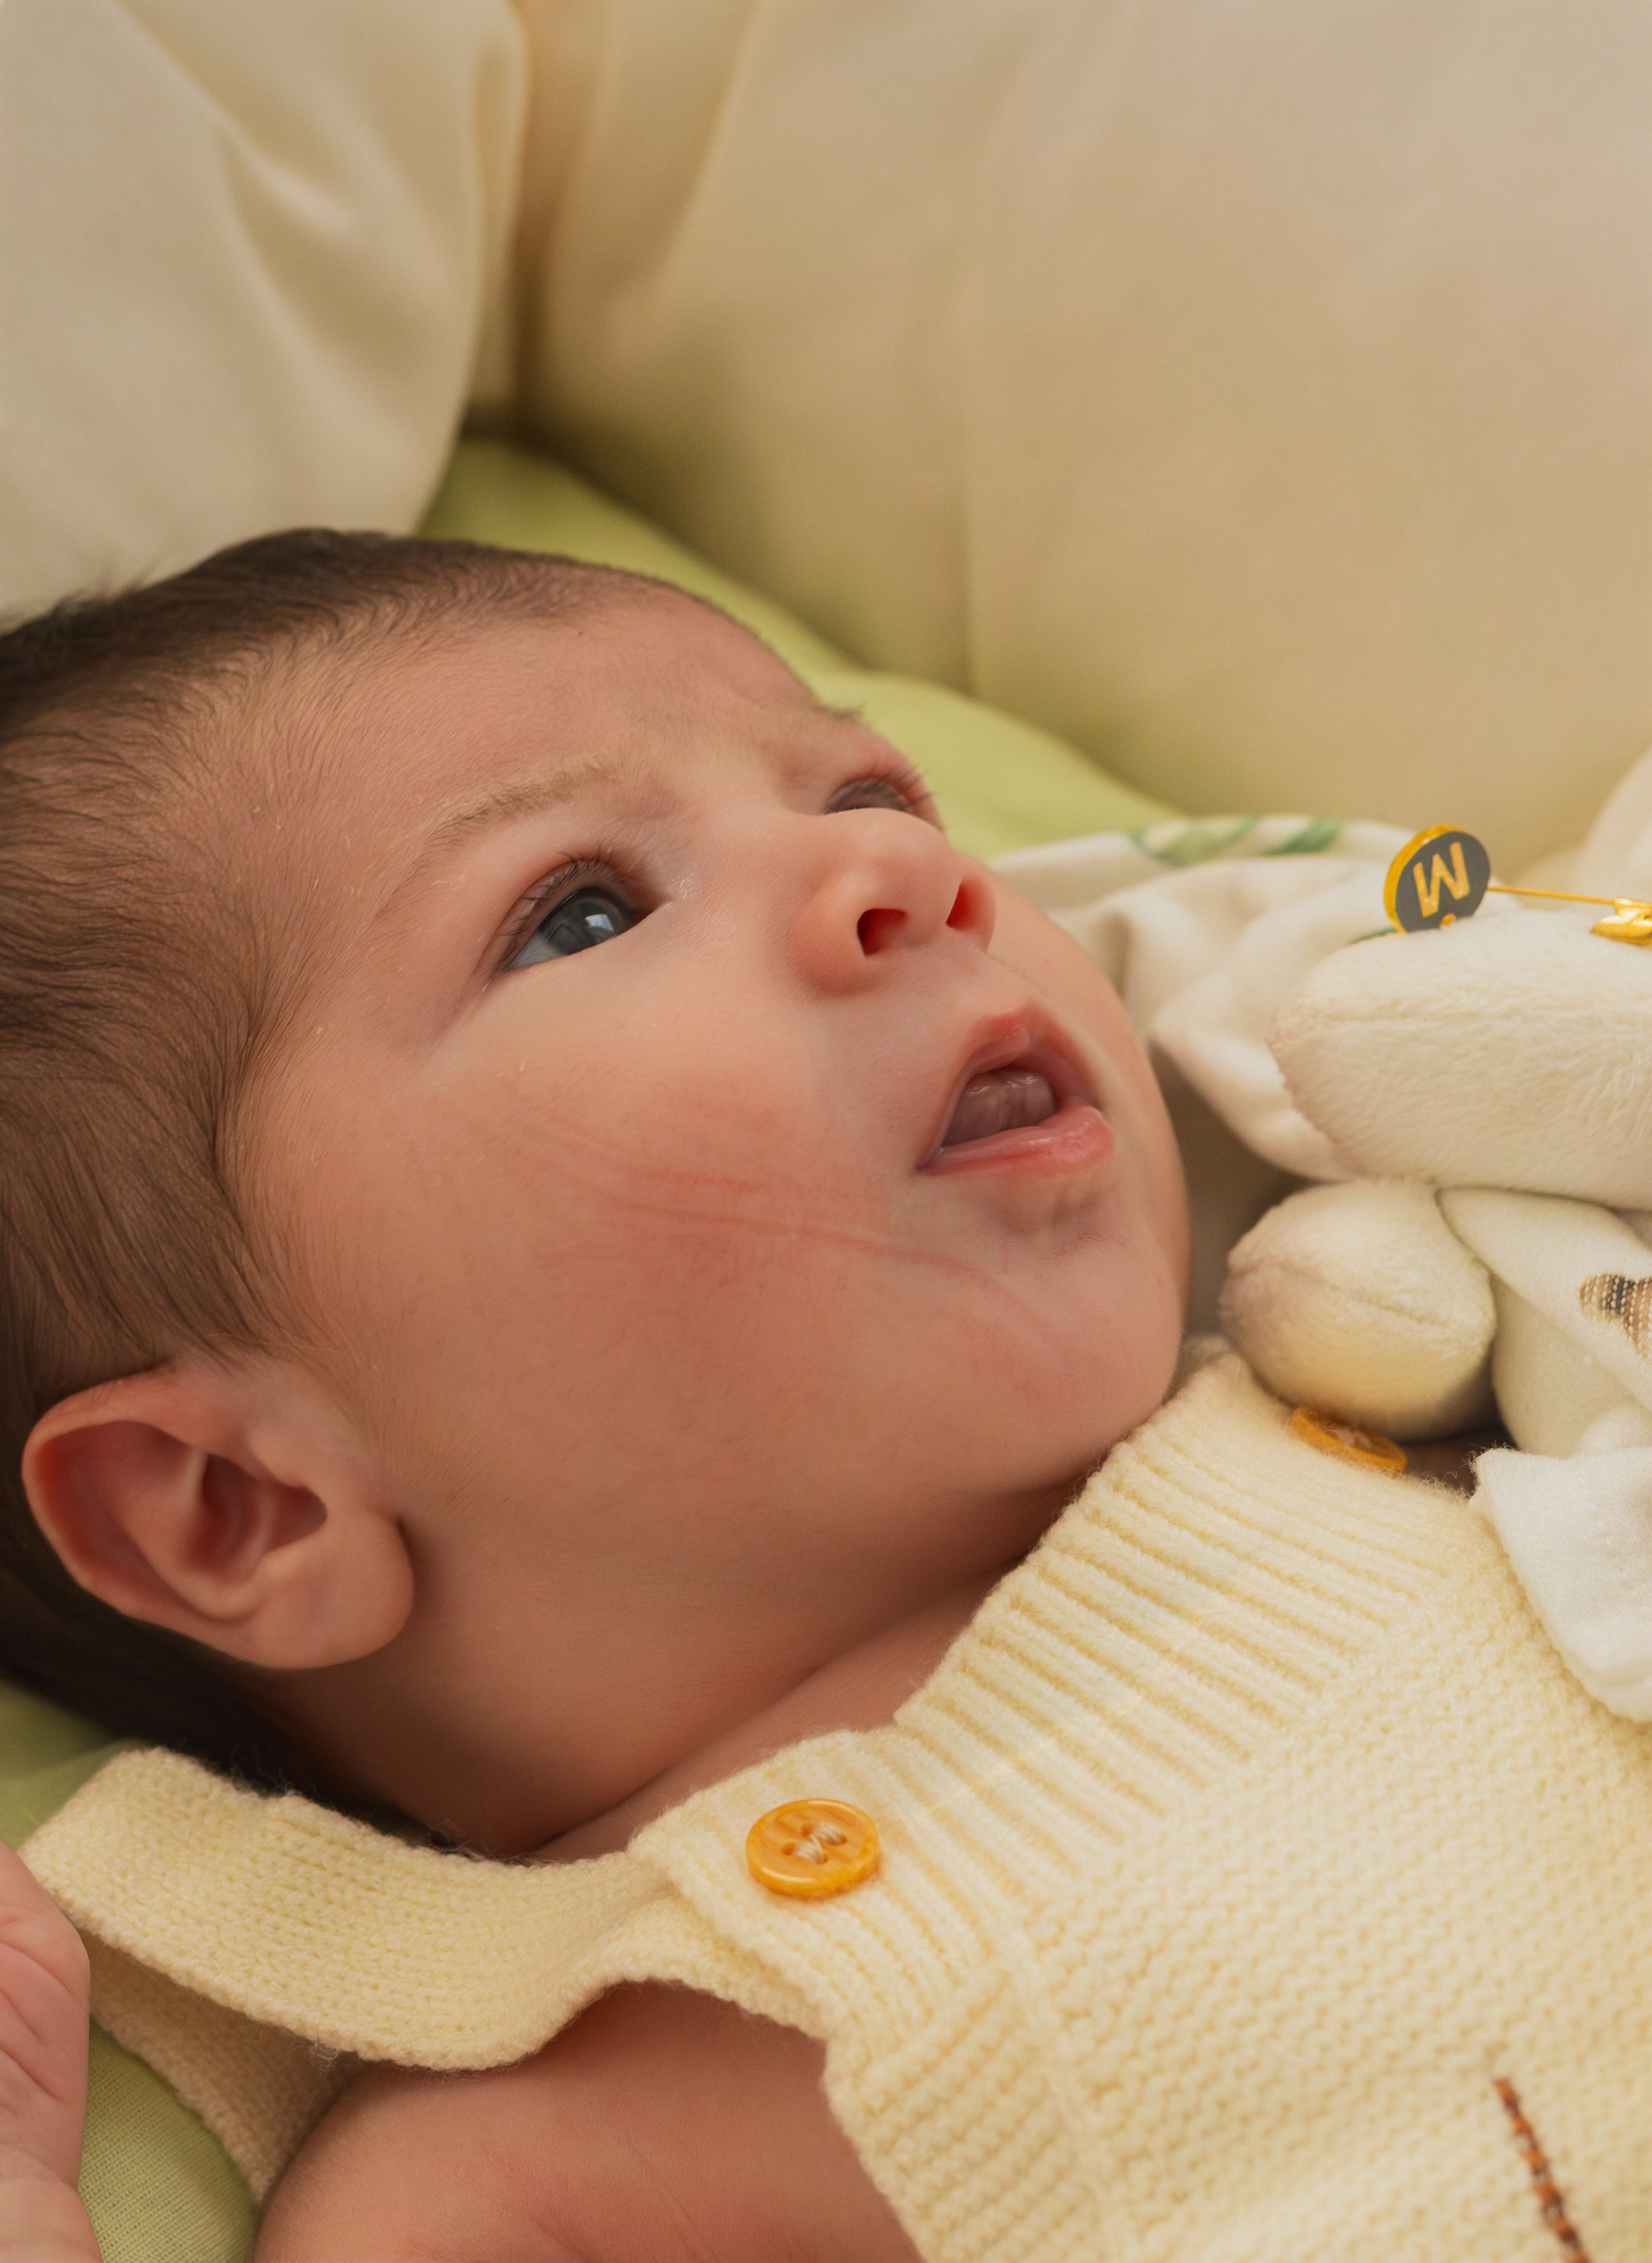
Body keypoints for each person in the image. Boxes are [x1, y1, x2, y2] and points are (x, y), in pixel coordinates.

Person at [0, 534, 1644, 2263]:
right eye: (583, 911)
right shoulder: (541, 2147)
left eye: (876, 795)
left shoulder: (1458, 1350)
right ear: (243, 1508)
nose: (904, 869)